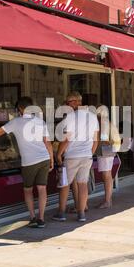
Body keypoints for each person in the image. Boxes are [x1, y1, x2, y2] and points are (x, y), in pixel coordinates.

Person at [0, 96, 53, 228]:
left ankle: (32, 217)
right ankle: (41, 218)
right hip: (44, 158)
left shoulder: (16, 122)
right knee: (42, 188)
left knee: (28, 190)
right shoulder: (40, 121)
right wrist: (51, 159)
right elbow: (48, 143)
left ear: (20, 109)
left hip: (29, 161)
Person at [53, 91, 99, 222]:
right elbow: (96, 140)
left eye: (68, 103)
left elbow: (67, 139)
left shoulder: (71, 117)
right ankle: (81, 214)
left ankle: (61, 213)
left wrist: (59, 154)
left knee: (64, 184)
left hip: (72, 155)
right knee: (83, 184)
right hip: (86, 156)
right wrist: (90, 153)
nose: (66, 106)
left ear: (76, 102)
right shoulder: (92, 116)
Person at [95, 105, 121, 209]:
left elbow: (104, 140)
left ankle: (107, 201)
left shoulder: (103, 123)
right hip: (110, 151)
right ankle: (108, 199)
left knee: (106, 176)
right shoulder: (108, 122)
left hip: (105, 151)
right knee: (108, 175)